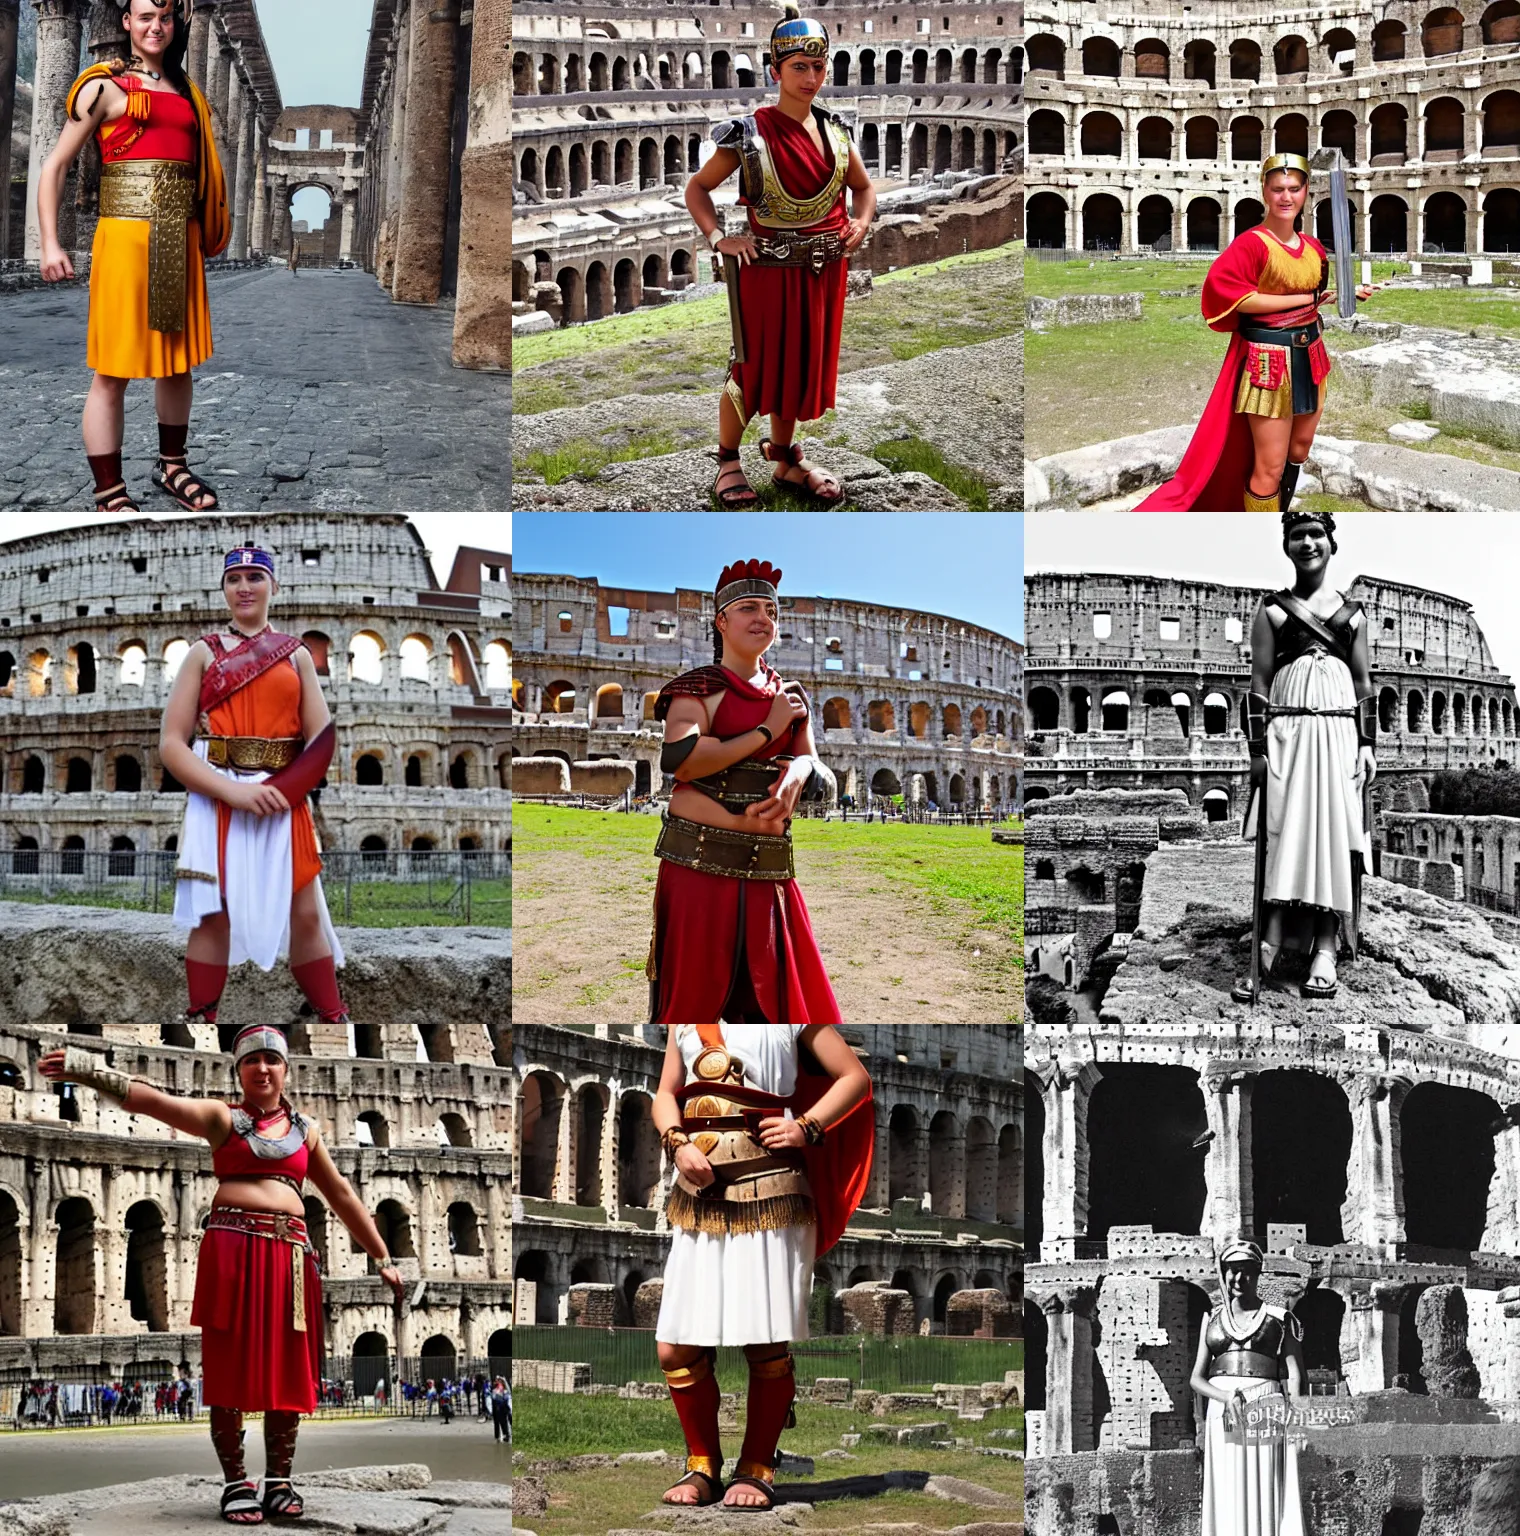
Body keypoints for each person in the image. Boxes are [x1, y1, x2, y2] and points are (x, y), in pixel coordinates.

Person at [38, 1025, 405, 1523]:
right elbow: (155, 1102)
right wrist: (85, 1069)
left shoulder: (307, 1132)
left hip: (290, 1257)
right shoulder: (223, 1118)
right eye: (251, 1061)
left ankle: (279, 1481)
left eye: (271, 1060)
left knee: (285, 1367)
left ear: (285, 1070)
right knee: (229, 1365)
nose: (262, 1069)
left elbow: (340, 1195)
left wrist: (382, 1257)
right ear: (239, 1072)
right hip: (234, 1250)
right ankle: (236, 1483)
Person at [654, 1024, 872, 1509]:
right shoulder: (686, 1015)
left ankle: (756, 1466)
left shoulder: (794, 1011)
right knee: (674, 1347)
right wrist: (676, 1142)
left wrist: (806, 1126)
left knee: (765, 1340)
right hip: (699, 1194)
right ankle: (702, 1465)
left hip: (771, 1187)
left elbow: (854, 1077)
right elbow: (666, 1092)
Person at [37, 0, 229, 515]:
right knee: (112, 370)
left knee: (177, 365)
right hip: (124, 240)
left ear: (175, 23)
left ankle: (173, 466)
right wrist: (50, 243)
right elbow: (55, 166)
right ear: (127, 22)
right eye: (145, 16)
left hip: (180, 240)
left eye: (165, 18)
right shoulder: (104, 86)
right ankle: (108, 492)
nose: (155, 27)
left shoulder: (189, 94)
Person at [684, 3, 874, 507]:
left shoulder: (836, 132)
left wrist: (862, 220)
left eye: (818, 66)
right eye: (799, 68)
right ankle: (728, 459)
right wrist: (717, 236)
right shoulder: (749, 134)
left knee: (800, 366)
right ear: (776, 71)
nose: (811, 77)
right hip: (765, 269)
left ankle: (786, 457)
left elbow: (863, 189)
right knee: (753, 366)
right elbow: (697, 190)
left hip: (824, 270)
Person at [162, 543, 350, 1041]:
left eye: (255, 577)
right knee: (213, 912)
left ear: (274, 587)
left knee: (305, 910)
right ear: (223, 589)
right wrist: (233, 792)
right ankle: (202, 1013)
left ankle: (334, 1013)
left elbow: (322, 736)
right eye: (234, 578)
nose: (244, 586)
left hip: (284, 795)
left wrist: (285, 791)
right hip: (218, 794)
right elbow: (172, 744)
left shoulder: (296, 655)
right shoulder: (203, 652)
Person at [649, 560, 840, 1025]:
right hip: (698, 867)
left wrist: (799, 770)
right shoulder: (697, 688)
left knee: (774, 1007)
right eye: (749, 608)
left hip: (769, 871)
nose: (763, 619)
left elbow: (821, 778)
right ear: (722, 621)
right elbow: (683, 758)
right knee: (695, 1001)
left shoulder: (790, 695)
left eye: (771, 611)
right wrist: (766, 730)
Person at [1135, 152, 1373, 512]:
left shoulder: (1312, 248)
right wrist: (1306, 297)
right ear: (1265, 191)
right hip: (1269, 362)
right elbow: (1234, 295)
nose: (1286, 197)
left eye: (1294, 188)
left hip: (1312, 354)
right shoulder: (1251, 243)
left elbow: (1307, 302)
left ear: (1306, 191)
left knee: (1299, 450)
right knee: (1269, 466)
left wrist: (1340, 295)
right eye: (1278, 189)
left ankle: (1280, 512)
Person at [1233, 510, 1375, 1001]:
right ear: (1286, 546)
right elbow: (1258, 684)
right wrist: (1256, 751)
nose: (1307, 543)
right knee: (1283, 835)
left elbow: (1362, 686)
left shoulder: (1353, 615)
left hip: (1337, 733)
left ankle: (1326, 947)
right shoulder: (1272, 610)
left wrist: (1368, 743)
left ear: (1332, 544)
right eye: (1297, 535)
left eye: (1316, 534)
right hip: (1287, 734)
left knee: (1335, 839)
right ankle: (1268, 941)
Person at [1190, 1241, 1307, 1535]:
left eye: (1246, 1272)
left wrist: (1297, 1423)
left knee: (1264, 1483)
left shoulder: (1280, 1319)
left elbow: (1296, 1375)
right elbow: (1196, 1379)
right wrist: (1226, 1396)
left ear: (1258, 1274)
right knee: (1229, 1485)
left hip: (1266, 1404)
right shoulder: (1212, 1319)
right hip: (1223, 1408)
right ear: (1224, 1273)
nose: (1238, 1279)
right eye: (1232, 1271)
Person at [490, 1377, 510, 1443]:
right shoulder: (494, 1390)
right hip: (496, 1409)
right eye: (497, 1381)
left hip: (502, 1409)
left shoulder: (505, 1390)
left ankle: (506, 1435)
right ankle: (497, 1436)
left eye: (499, 1381)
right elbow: (493, 1399)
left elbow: (506, 1398)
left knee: (504, 1423)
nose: (498, 1382)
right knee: (497, 1423)